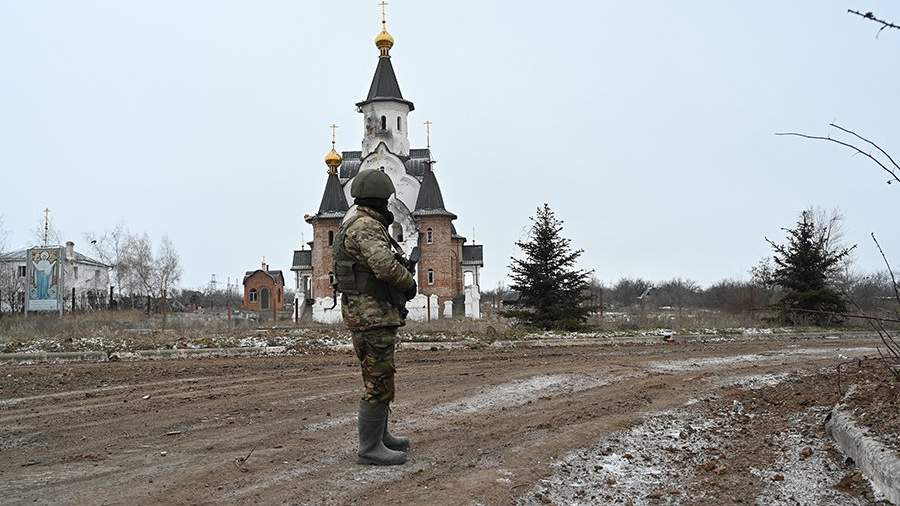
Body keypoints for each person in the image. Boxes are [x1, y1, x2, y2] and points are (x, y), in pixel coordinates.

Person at [332, 169, 417, 466]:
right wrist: (408, 282)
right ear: (381, 198)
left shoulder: (358, 222)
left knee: (380, 375)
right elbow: (383, 267)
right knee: (378, 380)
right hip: (372, 315)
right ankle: (370, 448)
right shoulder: (366, 226)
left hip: (368, 313)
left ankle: (381, 436)